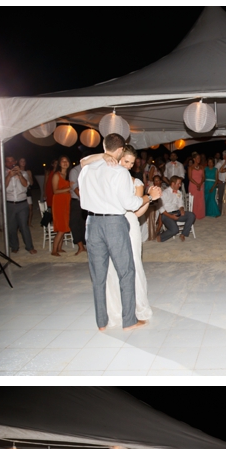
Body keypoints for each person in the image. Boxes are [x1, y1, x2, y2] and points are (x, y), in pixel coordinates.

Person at [79, 132, 160, 331]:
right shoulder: (119, 172)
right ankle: (129, 320)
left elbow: (82, 162)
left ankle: (101, 323)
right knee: (126, 271)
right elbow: (129, 203)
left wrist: (101, 156)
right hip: (114, 223)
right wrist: (150, 197)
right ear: (121, 149)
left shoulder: (88, 168)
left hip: (91, 222)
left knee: (98, 276)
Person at [102, 147, 153, 326]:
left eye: (132, 163)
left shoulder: (136, 182)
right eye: (126, 162)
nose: (129, 166)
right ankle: (115, 312)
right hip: (111, 224)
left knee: (134, 265)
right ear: (117, 158)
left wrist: (149, 198)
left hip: (130, 224)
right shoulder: (107, 177)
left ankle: (139, 309)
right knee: (111, 267)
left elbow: (137, 211)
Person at [4, 155, 36, 254]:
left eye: (12, 161)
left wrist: (20, 174)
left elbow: (26, 185)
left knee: (24, 226)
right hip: (9, 203)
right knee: (11, 227)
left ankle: (29, 247)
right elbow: (2, 187)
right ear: (5, 163)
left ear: (15, 161)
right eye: (8, 161)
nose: (10, 163)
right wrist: (9, 175)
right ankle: (14, 246)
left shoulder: (23, 173)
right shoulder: (2, 173)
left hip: (22, 203)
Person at [158, 175, 195, 242]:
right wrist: (171, 216)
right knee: (175, 230)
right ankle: (160, 237)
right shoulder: (165, 193)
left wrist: (181, 209)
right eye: (179, 183)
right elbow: (160, 208)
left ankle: (183, 234)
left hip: (177, 212)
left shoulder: (179, 193)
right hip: (167, 214)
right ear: (173, 183)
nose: (180, 185)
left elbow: (180, 203)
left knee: (191, 215)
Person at [49, 155, 72, 256]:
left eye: (66, 161)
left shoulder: (69, 175)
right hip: (59, 202)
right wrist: (69, 188)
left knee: (64, 224)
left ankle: (59, 248)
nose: (65, 163)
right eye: (63, 161)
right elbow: (55, 191)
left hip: (67, 202)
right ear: (59, 163)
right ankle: (54, 250)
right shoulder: (56, 175)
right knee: (62, 227)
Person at [67, 159, 86, 255]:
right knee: (74, 224)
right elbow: (74, 187)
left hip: (88, 202)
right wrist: (83, 198)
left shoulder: (90, 169)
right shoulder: (75, 171)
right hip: (77, 201)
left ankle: (85, 244)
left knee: (84, 224)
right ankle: (80, 246)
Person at [188, 154, 206, 220]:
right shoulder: (190, 167)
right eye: (197, 158)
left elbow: (203, 177)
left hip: (201, 184)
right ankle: (193, 215)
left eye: (199, 158)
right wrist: (197, 184)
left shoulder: (201, 167)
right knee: (194, 199)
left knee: (200, 199)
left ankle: (200, 214)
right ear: (194, 159)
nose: (199, 159)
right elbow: (190, 177)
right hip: (193, 184)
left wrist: (200, 183)